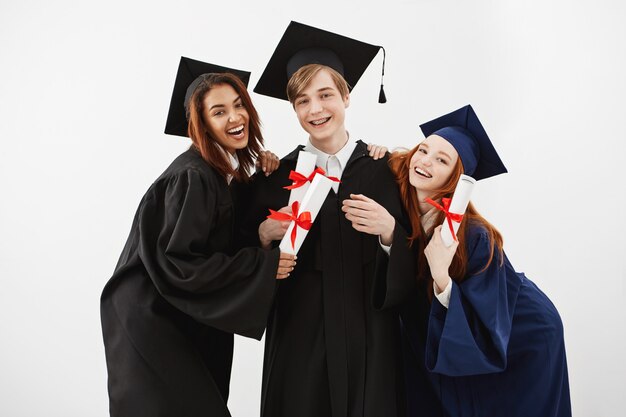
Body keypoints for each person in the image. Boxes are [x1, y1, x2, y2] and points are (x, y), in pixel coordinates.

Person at [342, 105, 572, 417]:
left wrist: (441, 274)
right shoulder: (402, 196)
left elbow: (485, 322)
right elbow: (377, 160)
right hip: (465, 329)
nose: (425, 161)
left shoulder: (475, 236)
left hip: (520, 332)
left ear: (456, 179)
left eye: (442, 160)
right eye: (423, 150)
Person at [100, 56, 296, 417]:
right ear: (201, 124)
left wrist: (260, 191)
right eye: (219, 112)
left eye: (239, 106)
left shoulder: (222, 171)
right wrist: (261, 266)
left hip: (180, 314)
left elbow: (216, 240)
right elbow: (179, 263)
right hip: (152, 318)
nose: (235, 118)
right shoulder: (192, 177)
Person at [235, 21, 411, 417]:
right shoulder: (275, 178)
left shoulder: (386, 171)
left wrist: (389, 233)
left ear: (346, 97)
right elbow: (239, 258)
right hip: (300, 342)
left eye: (326, 94)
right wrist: (263, 238)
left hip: (372, 340)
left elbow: (416, 259)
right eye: (301, 101)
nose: (315, 109)